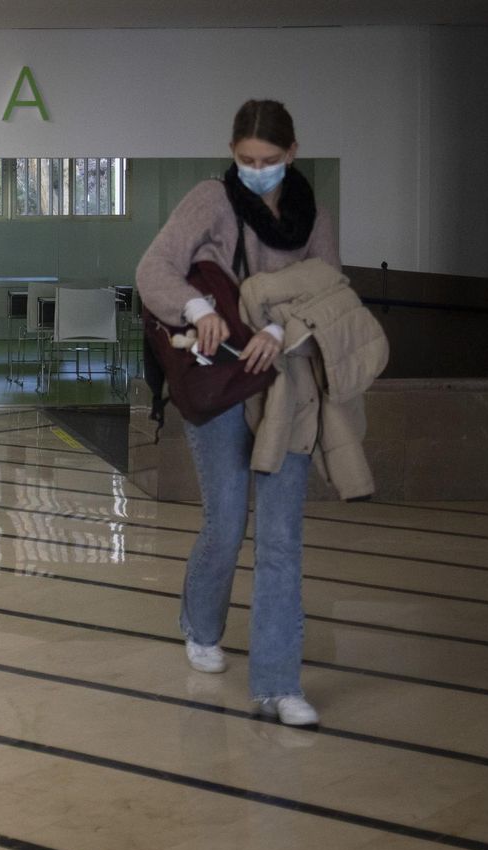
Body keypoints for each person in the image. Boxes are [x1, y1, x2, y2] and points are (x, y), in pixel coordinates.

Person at [134, 99, 339, 727]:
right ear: (232, 155)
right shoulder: (210, 200)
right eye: (246, 160)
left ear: (292, 153)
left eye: (269, 161)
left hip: (287, 386)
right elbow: (153, 269)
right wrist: (198, 310)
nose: (257, 170)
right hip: (223, 379)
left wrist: (281, 329)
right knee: (226, 521)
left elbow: (329, 289)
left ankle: (278, 686)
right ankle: (201, 623)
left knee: (280, 540)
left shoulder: (314, 216)